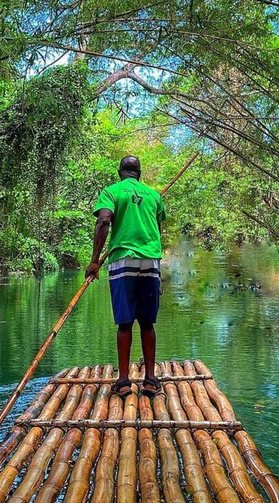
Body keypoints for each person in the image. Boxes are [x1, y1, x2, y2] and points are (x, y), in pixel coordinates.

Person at [85, 155, 166, 397]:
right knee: (147, 322)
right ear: (139, 174)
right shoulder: (154, 196)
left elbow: (103, 221)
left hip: (123, 259)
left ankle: (123, 381)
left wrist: (94, 261)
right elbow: (158, 230)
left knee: (125, 322)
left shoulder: (112, 192)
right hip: (150, 260)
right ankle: (150, 379)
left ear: (120, 172)